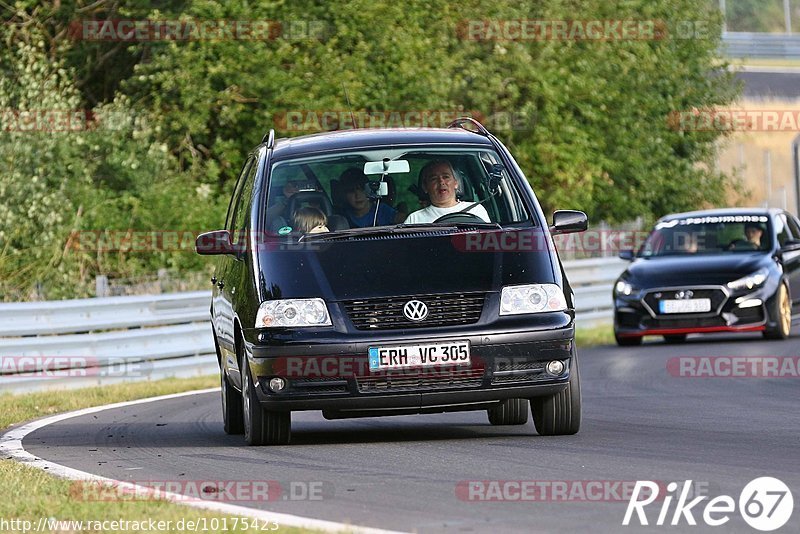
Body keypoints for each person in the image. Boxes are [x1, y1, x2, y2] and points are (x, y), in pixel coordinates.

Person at [404, 160, 490, 224]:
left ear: (456, 183)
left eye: (446, 177)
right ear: (425, 187)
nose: (441, 182)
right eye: (434, 179)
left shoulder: (476, 210)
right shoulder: (415, 219)